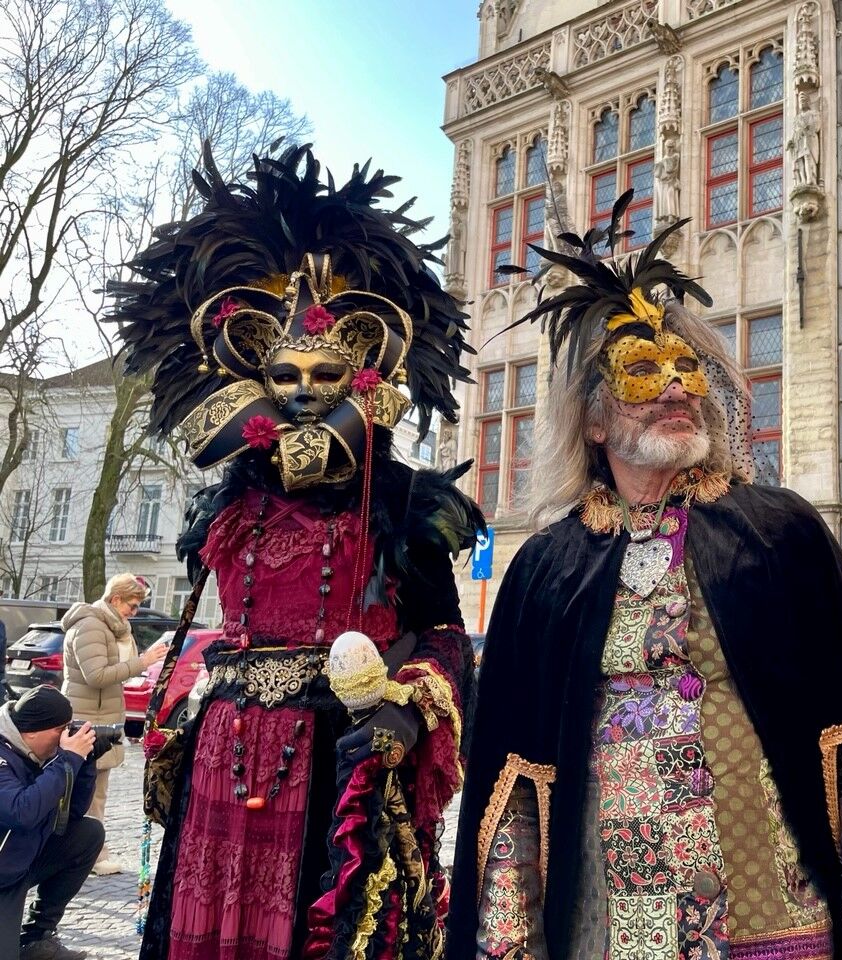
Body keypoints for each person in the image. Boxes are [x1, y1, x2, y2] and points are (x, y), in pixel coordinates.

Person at [446, 198, 842, 959]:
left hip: (775, 917)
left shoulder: (779, 535)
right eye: (641, 373)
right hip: (611, 930)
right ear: (591, 421)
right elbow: (515, 783)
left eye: (688, 370)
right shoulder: (546, 569)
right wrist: (509, 944)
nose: (677, 388)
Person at [112, 146, 483, 960]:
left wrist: (405, 708)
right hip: (224, 756)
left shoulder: (401, 502)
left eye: (325, 372)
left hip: (338, 761)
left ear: (360, 375)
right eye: (286, 373)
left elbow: (446, 636)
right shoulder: (229, 500)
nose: (307, 390)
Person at [59, 573, 166, 876]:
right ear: (116, 599)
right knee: (88, 793)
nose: (135, 611)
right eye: (132, 605)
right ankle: (91, 856)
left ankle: (86, 854)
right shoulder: (91, 625)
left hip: (99, 718)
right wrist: (142, 662)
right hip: (87, 721)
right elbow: (96, 676)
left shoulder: (106, 625)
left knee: (93, 791)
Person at [0, 686, 106, 960]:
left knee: (88, 833)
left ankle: (37, 937)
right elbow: (22, 812)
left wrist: (84, 763)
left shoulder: (43, 752)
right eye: (61, 729)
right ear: (32, 731)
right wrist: (67, 759)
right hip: (3, 874)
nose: (66, 737)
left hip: (20, 861)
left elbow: (72, 814)